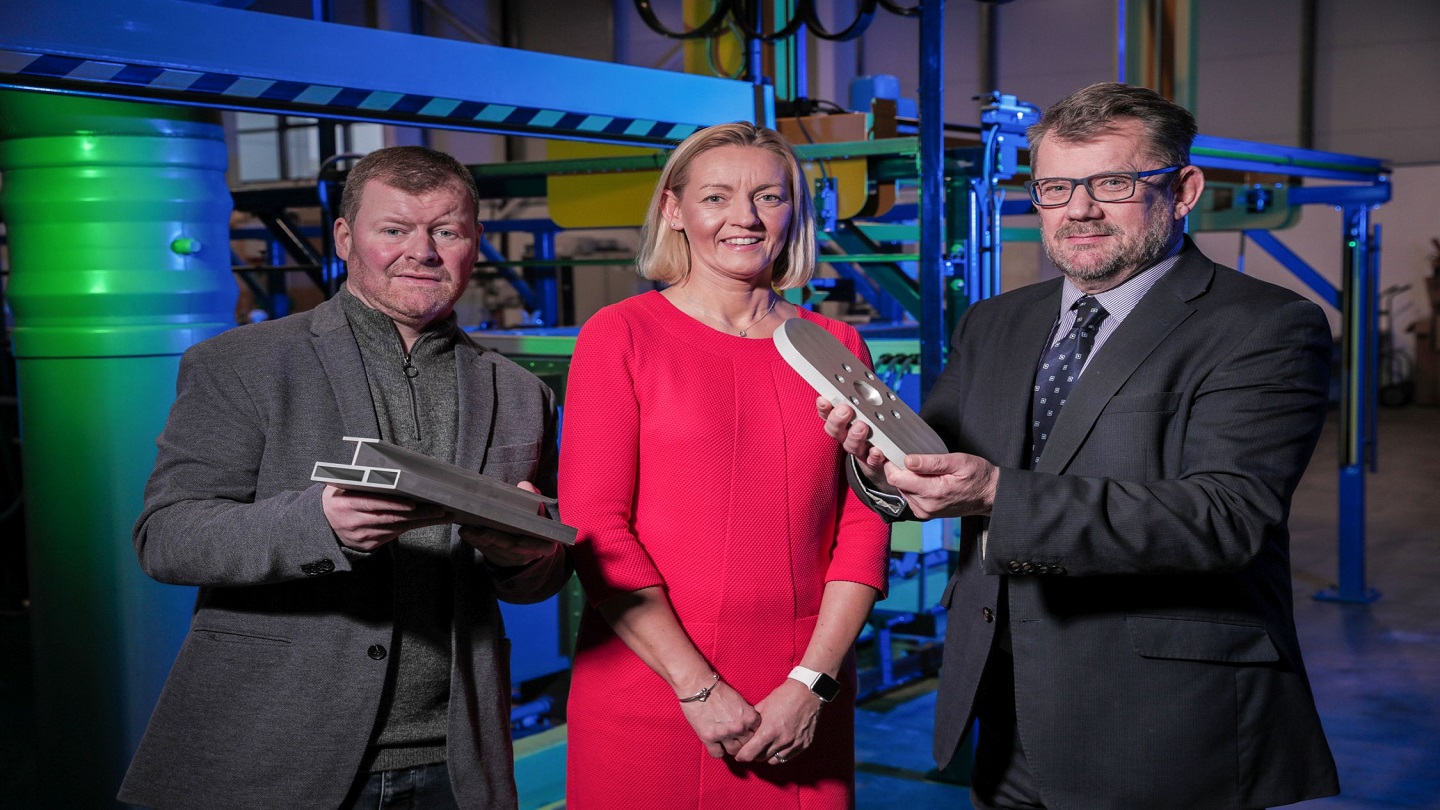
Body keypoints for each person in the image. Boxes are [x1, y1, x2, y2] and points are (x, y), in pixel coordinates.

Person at [820, 83, 1340, 809]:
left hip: (1160, 720)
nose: (1079, 209)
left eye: (1113, 183)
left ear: (1183, 190)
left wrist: (996, 493)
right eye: (1056, 187)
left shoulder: (1263, 327)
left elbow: (1224, 517)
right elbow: (931, 461)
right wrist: (877, 459)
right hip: (1003, 704)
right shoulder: (994, 323)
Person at [118, 146, 570, 810]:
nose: (422, 251)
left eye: (446, 231)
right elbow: (166, 537)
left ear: (474, 241)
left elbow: (538, 582)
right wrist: (319, 524)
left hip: (456, 759)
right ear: (344, 237)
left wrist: (524, 555)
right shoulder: (242, 363)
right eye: (394, 229)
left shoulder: (521, 393)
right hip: (276, 750)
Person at [559, 122, 891, 809]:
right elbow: (596, 526)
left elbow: (865, 525)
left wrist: (812, 683)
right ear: (674, 210)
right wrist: (697, 688)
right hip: (651, 685)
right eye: (716, 197)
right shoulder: (621, 335)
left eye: (768, 197)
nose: (745, 218)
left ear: (793, 212)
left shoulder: (836, 344)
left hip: (796, 698)